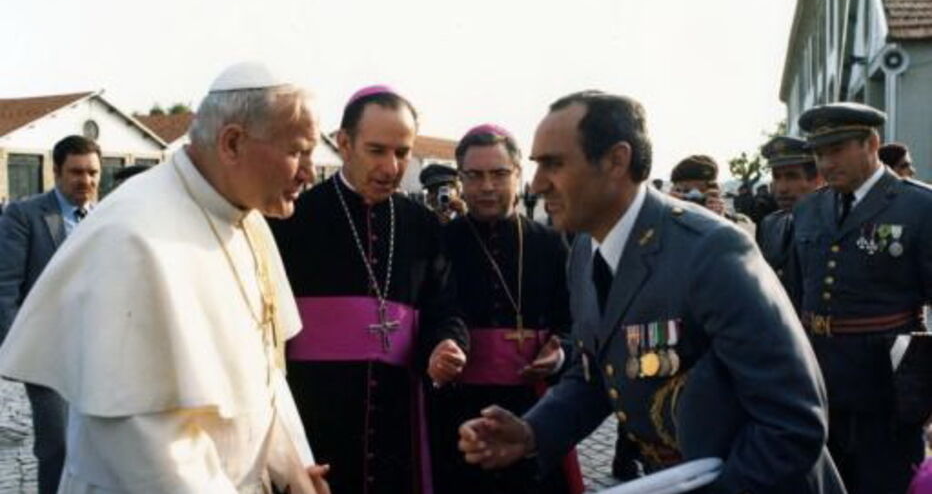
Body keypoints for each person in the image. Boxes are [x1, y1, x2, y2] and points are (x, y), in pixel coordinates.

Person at [459, 90, 844, 494]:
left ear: (616, 161)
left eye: (554, 164)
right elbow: (594, 374)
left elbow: (792, 422)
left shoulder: (709, 251)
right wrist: (532, 432)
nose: (537, 184)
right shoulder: (585, 250)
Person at [0, 62, 330, 493]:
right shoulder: (132, 234)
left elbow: (264, 378)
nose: (309, 172)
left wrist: (292, 469)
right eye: (298, 152)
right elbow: (141, 441)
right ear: (232, 142)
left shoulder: (248, 222)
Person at [270, 85, 469, 494]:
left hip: (398, 422)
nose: (391, 167)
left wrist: (445, 344)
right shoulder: (294, 219)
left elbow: (443, 310)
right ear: (344, 143)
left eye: (402, 152)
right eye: (377, 150)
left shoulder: (422, 225)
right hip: (315, 416)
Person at [429, 124, 582, 494]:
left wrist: (559, 351)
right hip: (458, 406)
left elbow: (573, 319)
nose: (487, 186)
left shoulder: (550, 242)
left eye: (499, 174)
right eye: (474, 175)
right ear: (461, 178)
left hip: (533, 406)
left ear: (518, 174)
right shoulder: (441, 241)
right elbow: (430, 313)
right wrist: (440, 347)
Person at [792, 102, 932, 494]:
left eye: (836, 150)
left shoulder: (920, 207)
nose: (825, 163)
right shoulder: (809, 209)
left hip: (887, 387)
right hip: (819, 380)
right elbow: (796, 296)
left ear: (871, 143)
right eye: (819, 153)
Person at [0, 134, 100, 493]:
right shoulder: (24, 215)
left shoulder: (106, 217)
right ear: (56, 171)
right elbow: (5, 287)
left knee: (99, 449)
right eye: (76, 172)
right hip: (47, 353)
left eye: (92, 173)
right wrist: (17, 351)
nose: (86, 181)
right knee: (55, 446)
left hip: (99, 352)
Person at [756, 135, 823, 303]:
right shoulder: (770, 224)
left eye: (792, 177)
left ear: (818, 179)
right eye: (776, 177)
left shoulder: (832, 224)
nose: (782, 188)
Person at [669, 154, 756, 236]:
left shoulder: (741, 223)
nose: (692, 201)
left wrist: (720, 220)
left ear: (715, 193)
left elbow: (744, 242)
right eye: (684, 191)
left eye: (701, 192)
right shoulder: (667, 220)